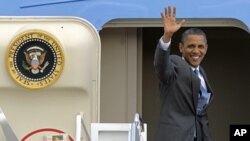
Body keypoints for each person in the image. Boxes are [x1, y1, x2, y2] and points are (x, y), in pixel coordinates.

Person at [154, 6, 214, 141]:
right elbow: (161, 66)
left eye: (200, 47)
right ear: (181, 47)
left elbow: (200, 113)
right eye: (191, 46)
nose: (196, 51)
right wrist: (167, 37)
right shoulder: (175, 64)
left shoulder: (201, 73)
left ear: (206, 48)